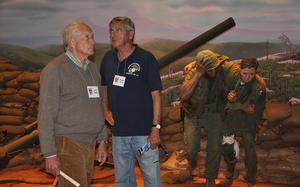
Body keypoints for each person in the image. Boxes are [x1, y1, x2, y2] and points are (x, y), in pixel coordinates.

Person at [38, 21, 108, 187]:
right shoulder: (55, 70)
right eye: (87, 37)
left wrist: (102, 141)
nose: (93, 41)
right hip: (68, 143)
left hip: (90, 143)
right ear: (71, 42)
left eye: (93, 37)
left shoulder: (92, 69)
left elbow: (99, 106)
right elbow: (45, 114)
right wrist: (49, 154)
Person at [100, 16, 162, 187]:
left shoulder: (146, 58)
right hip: (119, 134)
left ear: (130, 34)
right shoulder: (107, 59)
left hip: (144, 134)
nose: (113, 34)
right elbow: (104, 86)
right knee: (123, 180)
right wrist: (105, 109)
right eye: (111, 30)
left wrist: (156, 128)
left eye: (118, 30)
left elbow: (156, 96)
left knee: (152, 179)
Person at [180, 49, 239, 187]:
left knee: (214, 148)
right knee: (191, 148)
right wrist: (198, 74)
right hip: (194, 112)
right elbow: (183, 96)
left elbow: (237, 67)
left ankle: (210, 178)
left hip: (214, 112)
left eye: (214, 67)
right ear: (201, 67)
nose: (213, 71)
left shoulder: (223, 68)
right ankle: (192, 162)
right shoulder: (193, 73)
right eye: (209, 69)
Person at [222, 57, 266, 187]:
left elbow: (251, 110)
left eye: (251, 74)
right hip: (232, 118)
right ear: (240, 70)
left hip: (249, 120)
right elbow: (225, 94)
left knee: (249, 147)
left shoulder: (259, 86)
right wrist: (228, 97)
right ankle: (231, 166)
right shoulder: (233, 77)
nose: (248, 77)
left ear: (256, 72)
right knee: (226, 144)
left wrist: (233, 102)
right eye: (244, 73)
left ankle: (251, 177)